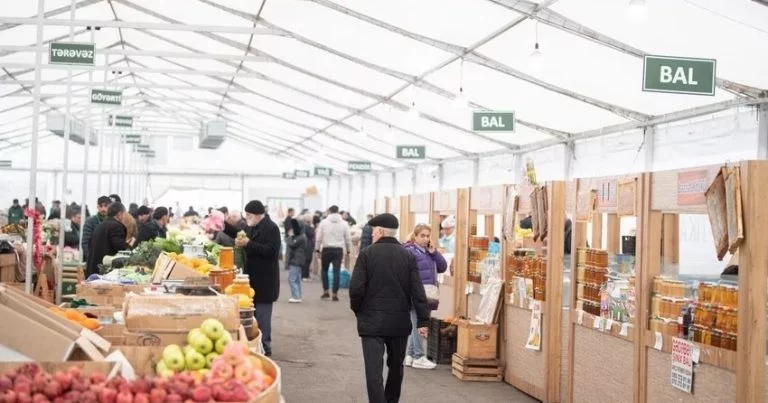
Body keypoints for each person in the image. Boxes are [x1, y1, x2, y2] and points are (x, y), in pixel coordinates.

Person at [350, 213, 430, 403]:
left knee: (373, 371)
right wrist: (423, 319)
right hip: (398, 322)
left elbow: (356, 288)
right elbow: (418, 290)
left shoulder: (367, 254)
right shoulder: (408, 255)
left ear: (378, 231)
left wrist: (359, 310)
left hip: (371, 322)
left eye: (372, 231)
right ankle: (391, 400)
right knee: (396, 367)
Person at [223, 200, 281, 356]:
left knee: (262, 316)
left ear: (257, 214)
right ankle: (253, 345)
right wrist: (223, 225)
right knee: (251, 317)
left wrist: (248, 244)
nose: (246, 217)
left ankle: (265, 347)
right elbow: (238, 233)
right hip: (252, 279)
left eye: (248, 214)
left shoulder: (272, 228)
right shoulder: (252, 226)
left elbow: (271, 251)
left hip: (266, 279)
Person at [401, 223, 447, 370]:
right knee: (419, 323)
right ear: (415, 236)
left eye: (428, 236)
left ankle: (410, 355)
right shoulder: (409, 251)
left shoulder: (428, 252)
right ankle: (419, 355)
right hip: (416, 293)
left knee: (416, 323)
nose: (426, 238)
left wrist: (434, 253)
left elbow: (442, 267)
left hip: (428, 293)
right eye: (422, 235)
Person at [315, 205, 351, 301]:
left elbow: (318, 238)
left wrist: (317, 249)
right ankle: (335, 293)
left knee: (325, 270)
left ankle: (326, 291)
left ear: (329, 211)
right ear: (338, 211)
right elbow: (347, 239)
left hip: (326, 249)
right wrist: (348, 250)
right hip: (338, 250)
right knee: (336, 271)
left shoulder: (323, 223)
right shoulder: (344, 223)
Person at [86, 202, 131, 277]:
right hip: (105, 270)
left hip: (94, 268)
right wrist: (128, 244)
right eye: (124, 214)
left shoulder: (100, 225)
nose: (124, 217)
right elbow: (120, 248)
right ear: (119, 214)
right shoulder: (116, 226)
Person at [81, 196, 111, 263]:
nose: (103, 209)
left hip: (108, 259)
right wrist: (89, 258)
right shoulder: (90, 221)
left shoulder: (112, 222)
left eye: (106, 206)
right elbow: (85, 242)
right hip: (93, 258)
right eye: (101, 206)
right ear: (97, 207)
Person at [286, 218, 307, 303]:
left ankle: (296, 296)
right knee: (296, 279)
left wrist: (290, 236)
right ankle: (298, 295)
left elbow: (291, 243)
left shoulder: (300, 237)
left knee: (292, 279)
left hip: (296, 260)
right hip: (298, 259)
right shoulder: (302, 236)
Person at [299, 214, 315, 280]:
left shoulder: (303, 226)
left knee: (307, 260)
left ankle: (306, 275)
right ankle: (304, 275)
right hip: (307, 245)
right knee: (306, 260)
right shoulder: (306, 227)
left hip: (307, 244)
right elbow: (311, 234)